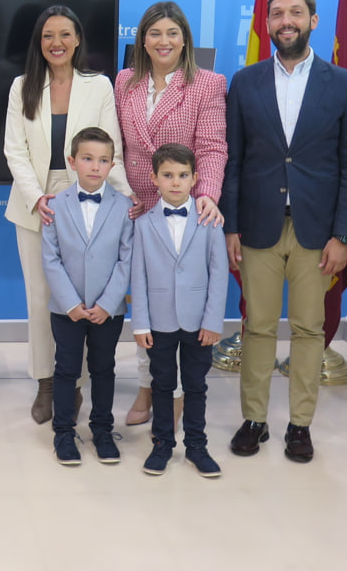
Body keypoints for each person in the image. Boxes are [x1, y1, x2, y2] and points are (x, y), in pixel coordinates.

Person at [222, 0, 347, 464]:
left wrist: (344, 235)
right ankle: (255, 419)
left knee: (308, 329)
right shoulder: (245, 82)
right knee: (258, 327)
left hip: (318, 232)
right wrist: (231, 226)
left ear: (313, 21)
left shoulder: (344, 84)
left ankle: (300, 425)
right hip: (258, 226)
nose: (287, 21)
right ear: (267, 24)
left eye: (296, 13)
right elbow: (234, 160)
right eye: (278, 13)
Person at [5, 5, 132, 424]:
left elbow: (110, 149)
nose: (56, 43)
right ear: (38, 43)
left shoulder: (99, 86)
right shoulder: (22, 86)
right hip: (37, 204)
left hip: (87, 194)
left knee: (83, 294)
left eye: (64, 35)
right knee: (42, 299)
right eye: (47, 36)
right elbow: (15, 151)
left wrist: (126, 195)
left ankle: (74, 384)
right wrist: (37, 198)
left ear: (77, 40)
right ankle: (47, 382)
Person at [115, 0, 227, 426]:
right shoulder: (124, 81)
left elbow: (212, 147)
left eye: (172, 33)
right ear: (142, 40)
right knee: (146, 303)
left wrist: (207, 194)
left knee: (181, 306)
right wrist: (124, 192)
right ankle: (148, 387)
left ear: (185, 40)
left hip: (184, 206)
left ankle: (178, 395)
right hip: (135, 208)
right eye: (155, 33)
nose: (164, 41)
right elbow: (117, 146)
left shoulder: (207, 84)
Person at [131, 143, 228, 478]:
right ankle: (162, 444)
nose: (175, 182)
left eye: (183, 175)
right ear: (154, 178)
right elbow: (138, 277)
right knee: (161, 383)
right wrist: (140, 323)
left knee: (195, 385)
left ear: (195, 178)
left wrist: (213, 321)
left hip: (198, 321)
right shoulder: (144, 225)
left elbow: (218, 274)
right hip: (159, 321)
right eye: (168, 175)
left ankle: (197, 446)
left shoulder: (210, 221)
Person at [40, 127, 134, 466]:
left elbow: (126, 260)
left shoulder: (124, 207)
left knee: (104, 368)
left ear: (112, 164)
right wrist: (70, 303)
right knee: (66, 368)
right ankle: (63, 431)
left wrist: (107, 303)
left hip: (108, 310)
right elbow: (50, 259)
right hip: (66, 308)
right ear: (72, 161)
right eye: (88, 159)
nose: (95, 166)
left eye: (103, 160)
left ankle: (103, 429)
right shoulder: (55, 205)